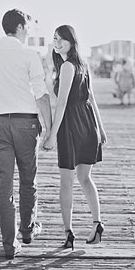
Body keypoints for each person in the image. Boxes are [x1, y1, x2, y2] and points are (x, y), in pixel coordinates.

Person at [0, 9, 52, 259]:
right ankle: (27, 230)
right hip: (26, 124)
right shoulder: (29, 54)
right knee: (29, 180)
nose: (28, 32)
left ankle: (10, 244)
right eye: (27, 27)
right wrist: (50, 129)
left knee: (3, 187)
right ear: (19, 27)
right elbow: (41, 93)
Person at [43, 25, 107, 250]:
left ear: (72, 41)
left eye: (61, 39)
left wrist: (51, 135)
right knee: (84, 178)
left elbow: (61, 103)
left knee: (66, 182)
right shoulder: (81, 64)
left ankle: (69, 233)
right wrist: (99, 128)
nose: (57, 42)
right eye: (54, 38)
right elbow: (91, 97)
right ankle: (97, 224)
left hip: (71, 125)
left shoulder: (68, 67)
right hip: (87, 123)